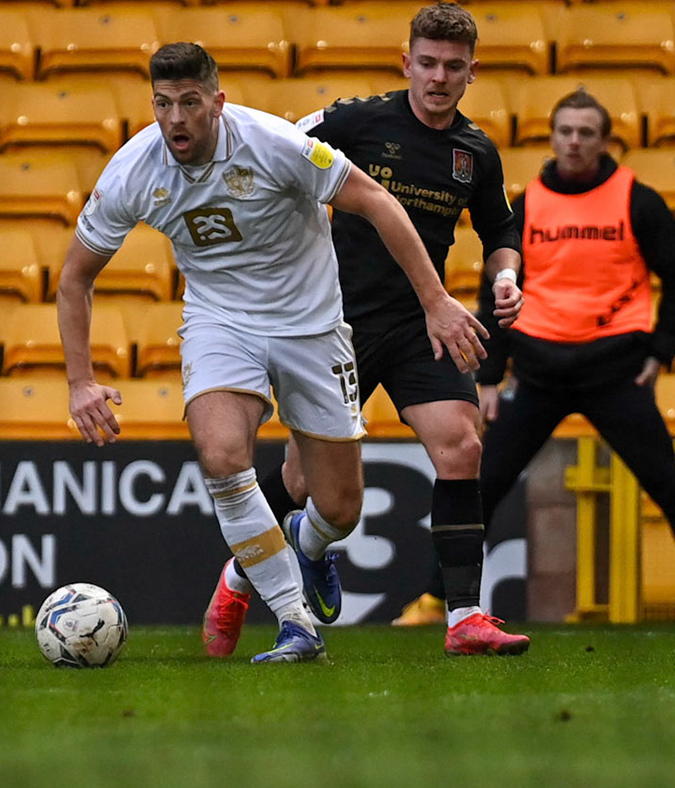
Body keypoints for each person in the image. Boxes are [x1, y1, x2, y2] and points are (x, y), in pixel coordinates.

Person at [60, 42, 488, 663]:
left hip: (312, 326)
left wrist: (435, 300)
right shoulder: (133, 170)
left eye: (189, 103)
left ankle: (307, 544)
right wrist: (80, 381)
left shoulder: (274, 144)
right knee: (221, 456)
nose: (176, 119)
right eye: (163, 104)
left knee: (338, 510)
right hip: (220, 322)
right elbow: (76, 276)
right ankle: (295, 622)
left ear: (217, 102)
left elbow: (376, 200)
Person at [211, 3, 532, 655]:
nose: (439, 77)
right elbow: (279, 152)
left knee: (462, 446)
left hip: (423, 322)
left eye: (453, 67)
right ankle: (240, 575)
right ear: (406, 63)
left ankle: (465, 617)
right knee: (302, 481)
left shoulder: (475, 152)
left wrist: (505, 275)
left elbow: (501, 230)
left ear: (472, 72)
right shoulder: (355, 122)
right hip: (334, 322)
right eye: (428, 63)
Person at [432, 88, 675, 607]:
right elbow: (496, 292)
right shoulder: (527, 206)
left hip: (616, 373)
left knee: (670, 491)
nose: (574, 142)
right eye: (565, 132)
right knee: (482, 489)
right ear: (551, 138)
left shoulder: (637, 200)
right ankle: (432, 601)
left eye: (586, 133)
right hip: (538, 374)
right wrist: (490, 377)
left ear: (604, 142)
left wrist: (661, 350)